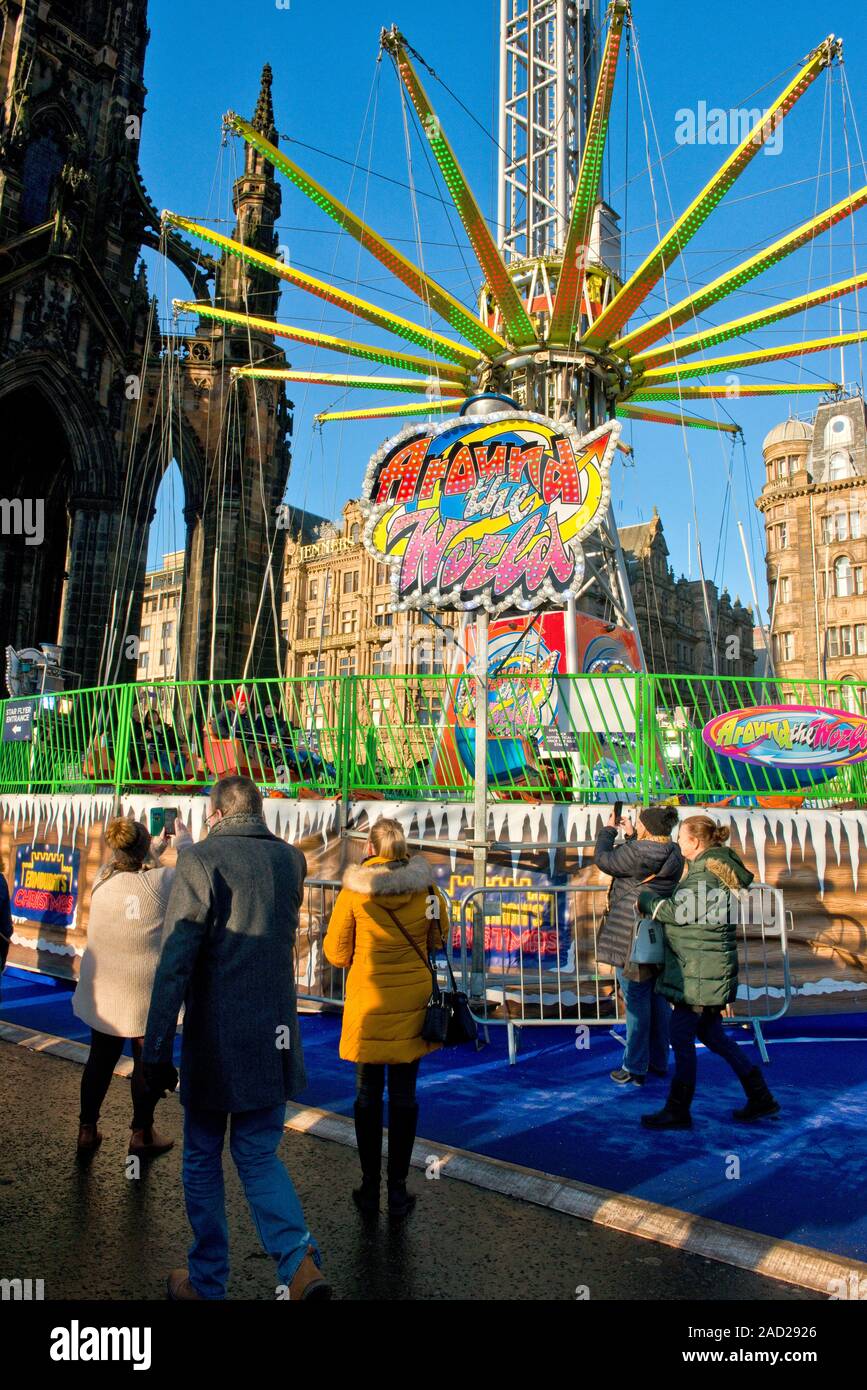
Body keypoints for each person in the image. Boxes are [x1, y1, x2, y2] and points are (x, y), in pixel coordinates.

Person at [143, 775, 329, 1301]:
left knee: (202, 1155)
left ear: (217, 813)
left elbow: (177, 961)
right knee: (258, 1152)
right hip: (273, 1038)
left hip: (215, 1040)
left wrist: (155, 1052)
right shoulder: (290, 861)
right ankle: (298, 1265)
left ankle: (207, 1283)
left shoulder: (201, 860)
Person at [324, 817, 450, 1217]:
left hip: (370, 998)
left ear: (371, 849)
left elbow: (336, 952)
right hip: (413, 999)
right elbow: (438, 937)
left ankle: (368, 1185)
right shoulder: (427, 887)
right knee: (404, 1095)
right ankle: (398, 1189)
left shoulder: (354, 891)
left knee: (366, 1093)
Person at [637, 815, 781, 1130]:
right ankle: (760, 1096)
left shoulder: (705, 873)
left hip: (700, 973)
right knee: (712, 1035)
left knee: (681, 1035)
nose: (677, 842)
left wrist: (648, 900)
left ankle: (678, 1109)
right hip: (706, 967)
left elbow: (679, 913)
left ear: (697, 842)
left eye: (682, 837)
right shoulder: (714, 869)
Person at [73, 815, 191, 1157]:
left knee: (100, 1058)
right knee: (144, 1060)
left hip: (105, 988)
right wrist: (182, 843)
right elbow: (193, 874)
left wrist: (154, 845)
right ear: (141, 849)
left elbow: (130, 863)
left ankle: (87, 1128)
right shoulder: (161, 882)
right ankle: (142, 1132)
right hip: (143, 990)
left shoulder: (102, 877)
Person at [595, 805, 683, 1086]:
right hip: (656, 932)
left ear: (647, 827)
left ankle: (634, 1066)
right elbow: (639, 866)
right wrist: (632, 837)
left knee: (636, 999)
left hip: (629, 934)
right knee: (657, 999)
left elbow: (605, 860)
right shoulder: (674, 853)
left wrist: (609, 831)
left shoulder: (638, 852)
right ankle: (658, 1060)